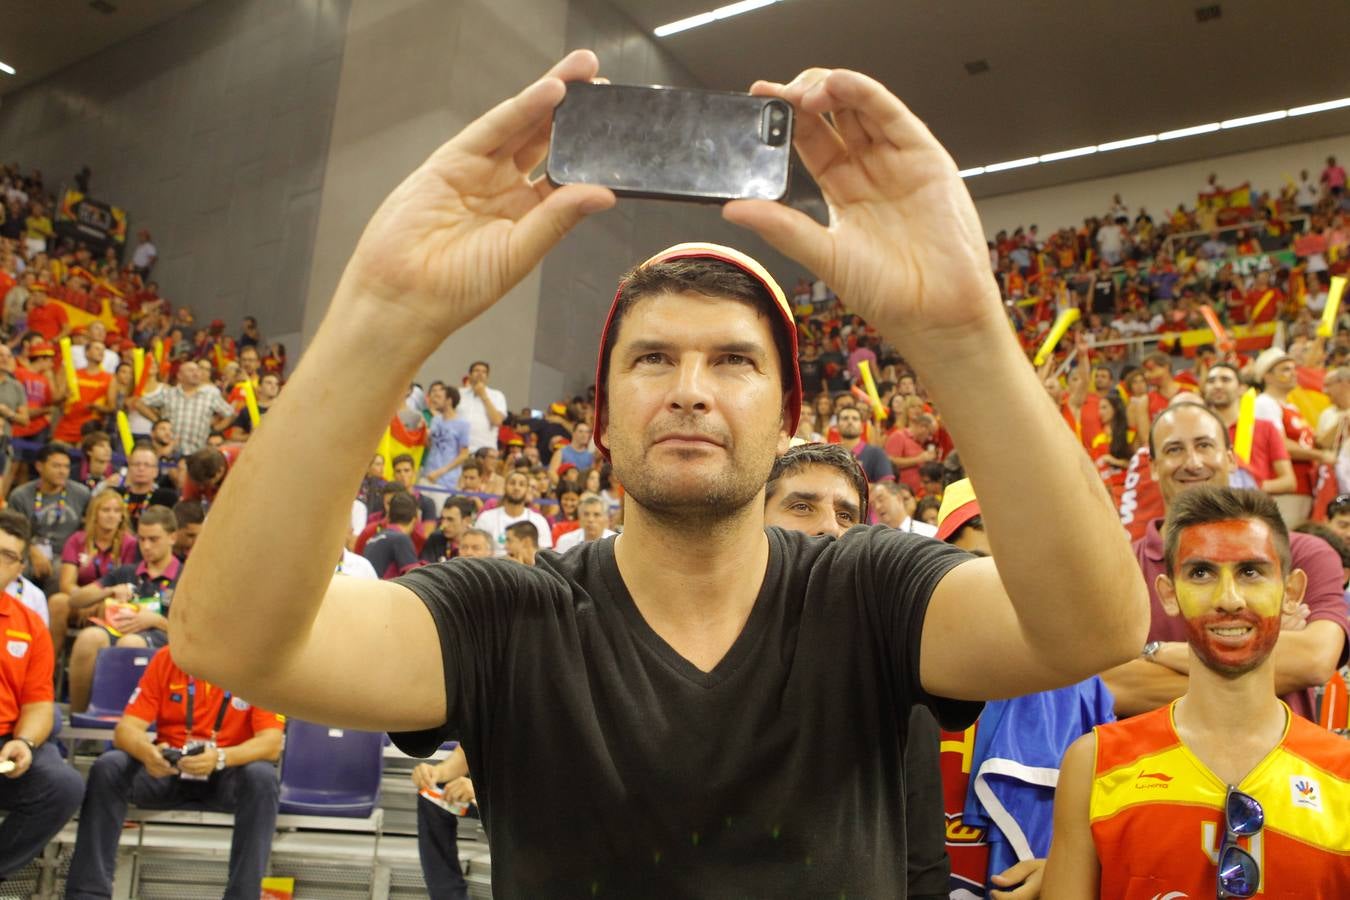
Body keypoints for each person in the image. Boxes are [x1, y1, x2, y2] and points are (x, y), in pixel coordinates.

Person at [171, 53, 1148, 896]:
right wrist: (383, 310)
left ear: (788, 417)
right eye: (652, 360)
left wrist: (964, 328)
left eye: (733, 361)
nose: (690, 391)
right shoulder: (504, 618)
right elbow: (231, 640)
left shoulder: (869, 593)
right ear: (598, 422)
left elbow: (1093, 628)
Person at [1044, 487, 1350, 897]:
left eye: (1251, 571)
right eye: (1201, 573)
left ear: (1291, 592)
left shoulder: (1343, 776)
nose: (1228, 599)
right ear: (1168, 594)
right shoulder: (1095, 764)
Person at [761, 441, 949, 900]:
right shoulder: (694, 648)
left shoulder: (893, 671)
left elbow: (921, 856)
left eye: (847, 515)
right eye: (802, 506)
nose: (829, 527)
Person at [1100, 404, 1348, 720]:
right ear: (1152, 467)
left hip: (1280, 764)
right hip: (1150, 767)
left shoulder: (1306, 553)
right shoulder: (1121, 569)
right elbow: (1110, 685)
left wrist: (1156, 652)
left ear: (1230, 457)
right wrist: (1261, 649)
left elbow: (1313, 659)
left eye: (1204, 445)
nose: (1192, 462)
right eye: (1174, 449)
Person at [65, 646, 284, 900]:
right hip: (169, 770)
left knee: (262, 777)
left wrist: (222, 757)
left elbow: (271, 744)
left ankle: (244, 895)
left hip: (226, 772)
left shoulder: (257, 664)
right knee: (109, 766)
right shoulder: (169, 658)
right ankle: (88, 894)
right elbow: (126, 729)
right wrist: (147, 752)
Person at [0, 510, 84, 881]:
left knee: (62, 786)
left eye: (7, 556)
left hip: (5, 744)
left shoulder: (29, 625)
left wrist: (24, 742)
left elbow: (37, 703)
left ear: (19, 568)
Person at [67, 506, 182, 712]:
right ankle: (81, 720)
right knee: (89, 638)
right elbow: (75, 600)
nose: (146, 546)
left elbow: (194, 632)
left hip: (164, 638)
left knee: (130, 643)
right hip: (118, 630)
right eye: (141, 539)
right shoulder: (128, 572)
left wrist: (155, 621)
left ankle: (125, 723)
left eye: (153, 539)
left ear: (172, 537)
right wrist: (109, 591)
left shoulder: (186, 577)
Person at [1252, 347, 1327, 526]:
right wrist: (1321, 456)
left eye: (1294, 368)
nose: (1294, 373)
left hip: (1303, 486)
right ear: (1267, 376)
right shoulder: (1264, 403)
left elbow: (1310, 442)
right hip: (1283, 490)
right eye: (1285, 369)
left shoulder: (1291, 407)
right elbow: (1279, 445)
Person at [8, 442, 91, 602]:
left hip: (66, 555)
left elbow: (87, 529)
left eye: (66, 467)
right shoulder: (20, 495)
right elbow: (12, 532)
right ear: (39, 466)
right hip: (27, 552)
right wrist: (33, 552)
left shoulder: (82, 494)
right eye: (56, 466)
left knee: (59, 573)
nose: (62, 471)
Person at [411, 744, 475, 900]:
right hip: (495, 794)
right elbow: (465, 753)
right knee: (433, 795)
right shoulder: (491, 719)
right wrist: (436, 773)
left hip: (533, 804)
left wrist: (482, 789)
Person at [136, 359, 235, 454]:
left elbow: (230, 414)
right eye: (191, 371)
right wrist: (157, 421)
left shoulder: (210, 395)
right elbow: (139, 403)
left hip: (198, 452)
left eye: (198, 371)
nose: (196, 373)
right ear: (180, 376)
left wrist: (215, 429)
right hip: (170, 452)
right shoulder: (168, 393)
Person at [472, 470, 553, 557]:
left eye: (521, 484)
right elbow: (476, 550)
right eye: (512, 483)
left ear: (527, 490)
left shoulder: (539, 520)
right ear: (504, 487)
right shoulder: (486, 518)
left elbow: (544, 556)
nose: (516, 488)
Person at [422, 385, 472, 490]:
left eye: (439, 397)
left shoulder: (462, 424)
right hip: (428, 474)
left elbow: (464, 454)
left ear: (449, 401)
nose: (435, 400)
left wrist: (440, 472)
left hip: (447, 480)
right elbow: (430, 445)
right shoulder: (435, 420)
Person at [362, 493, 421, 579]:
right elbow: (415, 579)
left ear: (389, 516)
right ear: (415, 520)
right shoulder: (401, 539)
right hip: (380, 590)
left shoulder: (372, 538)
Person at [830, 405, 893, 483]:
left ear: (862, 428)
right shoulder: (830, 454)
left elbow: (887, 485)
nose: (850, 422)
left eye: (855, 419)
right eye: (845, 418)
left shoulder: (877, 453)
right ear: (837, 427)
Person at [458, 361, 505, 452]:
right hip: (459, 449)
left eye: (484, 372)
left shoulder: (497, 395)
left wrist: (483, 395)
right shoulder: (459, 393)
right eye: (476, 371)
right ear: (470, 375)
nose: (480, 374)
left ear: (487, 377)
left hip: (485, 449)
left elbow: (497, 421)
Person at [421, 496, 477, 563]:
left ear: (467, 520)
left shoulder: (479, 542)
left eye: (450, 519)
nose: (444, 525)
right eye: (442, 518)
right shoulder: (435, 539)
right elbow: (424, 566)